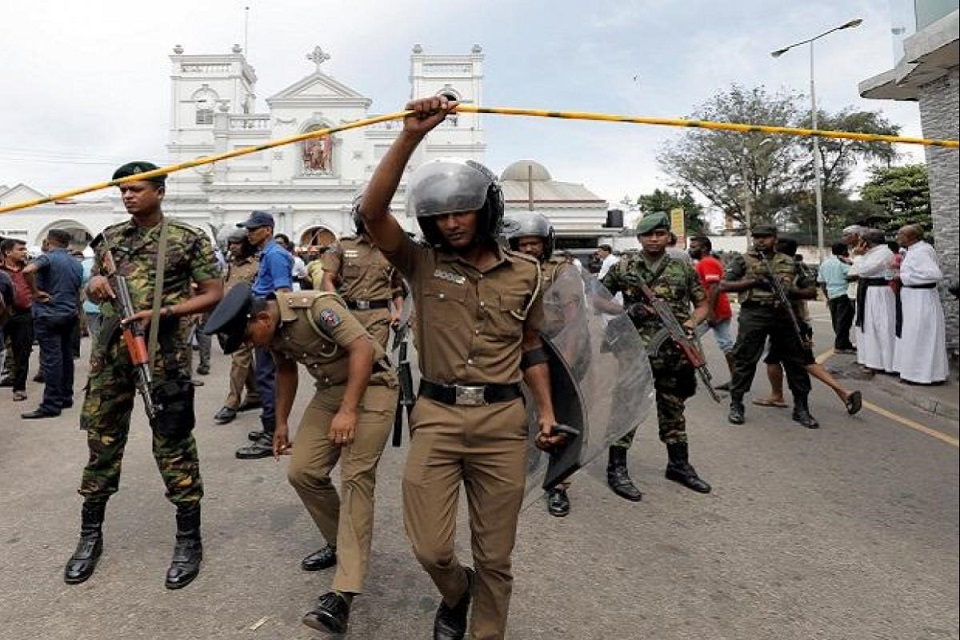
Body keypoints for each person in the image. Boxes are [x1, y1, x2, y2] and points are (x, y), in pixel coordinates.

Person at [356, 95, 563, 640]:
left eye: (461, 210)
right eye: (440, 214)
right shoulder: (421, 262)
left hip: (501, 424)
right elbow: (373, 214)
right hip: (438, 418)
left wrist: (545, 412)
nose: (450, 223)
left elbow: (532, 345)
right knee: (431, 547)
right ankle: (455, 591)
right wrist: (409, 135)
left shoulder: (527, 274)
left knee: (496, 555)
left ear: (486, 209)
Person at [204, 283, 398, 634]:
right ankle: (343, 542)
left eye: (249, 337)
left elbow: (362, 349)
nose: (251, 345)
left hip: (372, 386)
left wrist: (349, 410)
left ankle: (343, 593)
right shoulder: (271, 329)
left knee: (355, 480)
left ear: (262, 317)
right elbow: (286, 370)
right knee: (303, 471)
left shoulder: (316, 307)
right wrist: (280, 423)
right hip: (330, 392)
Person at [64, 161, 223, 589]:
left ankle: (189, 538)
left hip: (164, 356)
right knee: (101, 440)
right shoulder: (111, 239)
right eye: (123, 191)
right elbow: (96, 281)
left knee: (173, 442)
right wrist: (94, 282)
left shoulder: (187, 240)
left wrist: (165, 312)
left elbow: (213, 294)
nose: (128, 196)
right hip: (111, 356)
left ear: (160, 191)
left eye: (136, 189)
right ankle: (89, 535)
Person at [600, 212, 712, 500]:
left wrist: (690, 323)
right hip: (633, 352)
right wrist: (625, 311)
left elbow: (702, 305)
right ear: (639, 238)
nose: (653, 239)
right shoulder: (625, 265)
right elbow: (595, 297)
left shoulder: (683, 269)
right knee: (627, 408)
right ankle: (617, 469)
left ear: (667, 237)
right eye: (648, 234)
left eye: (659, 234)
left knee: (673, 408)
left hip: (674, 353)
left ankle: (678, 465)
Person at [503, 211, 589, 518]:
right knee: (518, 415)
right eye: (522, 243)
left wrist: (565, 364)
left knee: (558, 420)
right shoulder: (507, 269)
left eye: (534, 243)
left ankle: (558, 484)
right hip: (519, 354)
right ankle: (518, 473)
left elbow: (574, 319)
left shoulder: (561, 270)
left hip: (558, 353)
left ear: (546, 244)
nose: (528, 249)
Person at [720, 225, 819, 429]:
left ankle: (801, 407)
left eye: (765, 237)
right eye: (757, 237)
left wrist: (788, 291)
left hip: (784, 314)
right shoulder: (742, 260)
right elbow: (724, 285)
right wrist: (754, 282)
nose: (760, 241)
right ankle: (736, 404)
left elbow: (810, 291)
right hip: (754, 313)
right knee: (745, 359)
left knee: (795, 361)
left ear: (775, 239)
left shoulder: (790, 262)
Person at [753, 238, 862, 416]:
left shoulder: (781, 270)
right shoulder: (800, 268)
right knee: (779, 359)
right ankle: (778, 395)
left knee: (803, 362)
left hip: (789, 323)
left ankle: (843, 392)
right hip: (801, 321)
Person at [234, 211, 293, 459]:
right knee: (264, 374)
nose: (249, 233)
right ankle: (269, 425)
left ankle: (272, 432)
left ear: (267, 230)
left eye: (254, 229)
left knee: (268, 376)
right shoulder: (268, 253)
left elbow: (282, 292)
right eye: (248, 229)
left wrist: (273, 329)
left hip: (268, 320)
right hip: (262, 316)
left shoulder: (276, 255)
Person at [20, 229, 83, 419]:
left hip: (49, 315)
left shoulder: (47, 257)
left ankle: (51, 404)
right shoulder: (75, 262)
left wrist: (35, 292)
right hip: (69, 314)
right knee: (65, 357)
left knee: (51, 360)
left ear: (48, 242)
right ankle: (65, 396)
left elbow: (28, 270)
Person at [320, 209, 405, 350]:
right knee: (352, 360)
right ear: (361, 222)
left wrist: (400, 311)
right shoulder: (343, 245)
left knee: (376, 360)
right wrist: (337, 308)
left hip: (379, 317)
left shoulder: (392, 249)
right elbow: (328, 279)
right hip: (349, 315)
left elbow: (396, 285)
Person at [212, 229, 261, 424]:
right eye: (231, 243)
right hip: (230, 319)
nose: (232, 246)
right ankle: (255, 394)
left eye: (237, 243)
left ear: (247, 244)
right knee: (240, 357)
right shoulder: (230, 265)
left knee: (239, 358)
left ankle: (232, 402)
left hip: (247, 320)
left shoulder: (257, 265)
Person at [892, 224, 948, 385]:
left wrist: (903, 277)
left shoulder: (922, 251)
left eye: (900, 234)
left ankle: (922, 375)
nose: (897, 236)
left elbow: (934, 275)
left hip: (920, 298)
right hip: (913, 298)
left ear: (911, 237)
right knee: (914, 334)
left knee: (921, 334)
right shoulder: (914, 250)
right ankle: (914, 373)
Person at [688, 235, 735, 389]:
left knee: (686, 339)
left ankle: (690, 375)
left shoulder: (707, 263)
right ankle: (737, 380)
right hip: (715, 310)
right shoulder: (705, 262)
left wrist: (710, 313)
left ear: (704, 248)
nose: (690, 249)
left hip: (713, 311)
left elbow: (714, 287)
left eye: (694, 246)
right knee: (726, 345)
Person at [848, 229, 897, 375]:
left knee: (882, 326)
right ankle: (873, 360)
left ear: (867, 242)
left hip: (879, 292)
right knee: (870, 327)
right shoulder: (871, 253)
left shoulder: (883, 253)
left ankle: (886, 362)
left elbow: (863, 270)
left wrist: (857, 256)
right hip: (869, 292)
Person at [0, 238, 34, 401]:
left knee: (22, 353)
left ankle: (19, 388)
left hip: (24, 315)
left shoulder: (29, 270)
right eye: (20, 249)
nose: (24, 252)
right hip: (2, 316)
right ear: (7, 252)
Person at [817, 241, 856, 353]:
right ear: (844, 251)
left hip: (831, 294)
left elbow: (822, 281)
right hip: (844, 293)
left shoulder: (825, 263)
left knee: (836, 320)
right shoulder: (842, 263)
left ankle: (845, 343)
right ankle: (840, 346)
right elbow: (854, 274)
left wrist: (827, 296)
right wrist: (851, 264)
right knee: (844, 321)